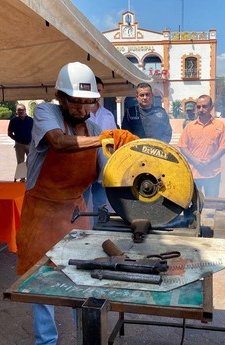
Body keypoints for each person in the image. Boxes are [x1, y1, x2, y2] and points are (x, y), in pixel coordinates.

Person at [15, 61, 137, 345]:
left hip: (75, 215)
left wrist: (131, 157)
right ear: (60, 97)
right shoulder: (46, 112)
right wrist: (103, 139)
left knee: (80, 282)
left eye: (88, 103)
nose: (82, 110)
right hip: (41, 215)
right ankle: (46, 341)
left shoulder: (93, 128)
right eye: (76, 103)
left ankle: (86, 336)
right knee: (41, 285)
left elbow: (108, 175)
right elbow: (59, 143)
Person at [177, 95, 225, 197]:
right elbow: (183, 146)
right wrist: (195, 160)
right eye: (198, 107)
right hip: (193, 173)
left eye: (204, 106)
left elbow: (224, 146)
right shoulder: (190, 126)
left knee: (211, 204)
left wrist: (210, 160)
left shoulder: (219, 125)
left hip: (212, 173)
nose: (201, 109)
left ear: (211, 107)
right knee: (192, 204)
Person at [83, 76, 118, 219]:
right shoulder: (81, 113)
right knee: (83, 199)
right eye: (94, 90)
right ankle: (82, 226)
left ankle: (99, 226)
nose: (97, 94)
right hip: (85, 163)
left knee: (100, 201)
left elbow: (114, 138)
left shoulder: (108, 114)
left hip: (103, 164)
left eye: (99, 90)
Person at [8, 103, 33, 168]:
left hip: (30, 144)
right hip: (19, 145)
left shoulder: (30, 120)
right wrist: (17, 139)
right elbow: (9, 133)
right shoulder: (13, 121)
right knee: (20, 162)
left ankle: (30, 177)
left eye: (22, 110)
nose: (21, 111)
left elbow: (35, 131)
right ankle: (22, 178)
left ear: (25, 110)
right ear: (16, 111)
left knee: (31, 161)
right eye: (19, 110)